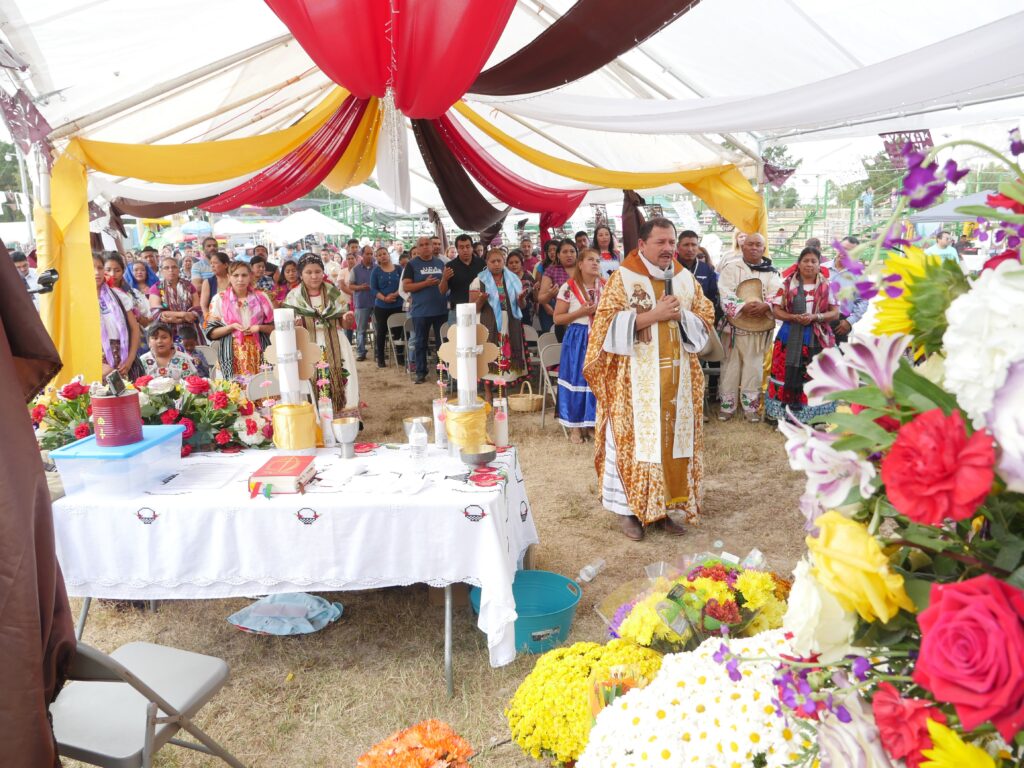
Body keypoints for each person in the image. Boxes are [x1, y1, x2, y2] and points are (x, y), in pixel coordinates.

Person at [584, 218, 715, 540]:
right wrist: (651, 316)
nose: (669, 248)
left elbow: (706, 316)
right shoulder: (623, 278)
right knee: (634, 445)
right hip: (633, 384)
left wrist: (681, 315)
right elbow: (602, 328)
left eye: (672, 242)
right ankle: (628, 511)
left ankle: (663, 509)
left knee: (671, 444)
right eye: (661, 242)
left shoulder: (684, 279)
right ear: (642, 245)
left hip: (677, 382)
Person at [765, 246, 839, 423]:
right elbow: (776, 310)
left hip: (817, 337)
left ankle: (816, 417)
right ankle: (782, 415)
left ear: (819, 265)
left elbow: (835, 312)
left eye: (814, 261)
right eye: (805, 260)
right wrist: (793, 317)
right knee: (783, 373)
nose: (809, 264)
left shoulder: (827, 286)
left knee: (815, 375)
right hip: (790, 335)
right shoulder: (786, 285)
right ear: (798, 264)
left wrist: (816, 316)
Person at [285, 253, 360, 418]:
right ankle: (317, 423)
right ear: (301, 274)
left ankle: (343, 421)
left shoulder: (334, 292)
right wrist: (295, 326)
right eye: (309, 272)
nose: (314, 276)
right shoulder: (293, 297)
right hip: (307, 346)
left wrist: (347, 319)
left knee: (343, 379)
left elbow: (344, 324)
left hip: (336, 343)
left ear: (323, 271)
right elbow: (288, 330)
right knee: (312, 383)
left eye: (318, 271)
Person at [718, 233, 783, 422]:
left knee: (754, 369)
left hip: (759, 329)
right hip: (733, 330)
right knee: (730, 367)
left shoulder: (771, 272)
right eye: (750, 244)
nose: (754, 248)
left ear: (764, 249)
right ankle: (727, 406)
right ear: (743, 247)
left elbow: (778, 292)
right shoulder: (731, 268)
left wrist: (766, 305)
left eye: (758, 245)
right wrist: (742, 306)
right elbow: (724, 291)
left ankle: (750, 408)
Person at [554, 248, 604, 444]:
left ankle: (590, 423)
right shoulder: (568, 287)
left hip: (598, 337)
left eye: (598, 260)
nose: (595, 263)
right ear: (580, 264)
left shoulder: (605, 286)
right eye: (590, 259)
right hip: (577, 337)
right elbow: (557, 318)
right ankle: (575, 426)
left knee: (593, 381)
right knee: (576, 379)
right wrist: (580, 312)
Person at [471, 248, 527, 402]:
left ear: (504, 262)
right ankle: (488, 393)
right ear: (487, 263)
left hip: (509, 323)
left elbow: (521, 306)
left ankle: (502, 392)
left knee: (505, 356)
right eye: (492, 261)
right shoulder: (479, 280)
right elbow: (474, 308)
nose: (496, 264)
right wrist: (482, 299)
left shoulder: (513, 279)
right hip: (488, 323)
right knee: (489, 356)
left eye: (499, 261)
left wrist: (521, 298)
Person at [205, 261, 275, 379]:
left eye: (244, 275)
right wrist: (231, 327)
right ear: (229, 277)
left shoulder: (261, 297)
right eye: (236, 275)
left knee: (263, 390)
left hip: (260, 351)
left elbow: (275, 328)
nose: (240, 279)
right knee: (235, 393)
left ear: (250, 276)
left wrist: (259, 328)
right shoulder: (219, 299)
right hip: (231, 353)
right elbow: (211, 333)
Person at [402, 236, 448, 384]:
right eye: (421, 245)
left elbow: (446, 284)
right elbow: (406, 287)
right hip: (420, 311)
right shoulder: (412, 264)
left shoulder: (440, 263)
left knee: (442, 343)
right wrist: (425, 283)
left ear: (432, 246)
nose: (425, 247)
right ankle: (421, 372)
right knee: (420, 342)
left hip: (440, 310)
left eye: (427, 244)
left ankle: (443, 371)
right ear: (417, 248)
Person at [94, 253, 142, 379]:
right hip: (93, 360)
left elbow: (135, 329)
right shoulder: (76, 301)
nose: (97, 272)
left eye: (100, 267)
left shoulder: (119, 296)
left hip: (122, 360)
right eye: (91, 267)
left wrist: (129, 360)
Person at [148, 256, 202, 343]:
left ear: (178, 269)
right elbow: (157, 314)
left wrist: (173, 317)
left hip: (190, 332)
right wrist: (183, 315)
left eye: (174, 267)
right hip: (167, 333)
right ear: (161, 271)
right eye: (166, 268)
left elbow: (197, 310)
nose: (171, 270)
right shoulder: (157, 288)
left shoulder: (189, 286)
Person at [675, 230, 722, 325]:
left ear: (698, 247)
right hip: (677, 319)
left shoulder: (706, 269)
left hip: (700, 320)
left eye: (693, 245)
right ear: (678, 247)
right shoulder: (670, 268)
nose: (690, 249)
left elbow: (712, 297)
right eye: (686, 245)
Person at [438, 233, 485, 325]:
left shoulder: (481, 264)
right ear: (457, 249)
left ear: (472, 248)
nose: (465, 250)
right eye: (461, 247)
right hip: (457, 310)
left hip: (479, 309)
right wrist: (444, 278)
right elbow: (442, 291)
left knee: (479, 339)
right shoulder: (450, 266)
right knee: (456, 339)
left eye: (468, 246)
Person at [537, 239, 577, 341]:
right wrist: (550, 294)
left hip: (583, 320)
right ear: (558, 255)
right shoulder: (552, 270)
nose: (569, 255)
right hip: (562, 321)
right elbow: (541, 299)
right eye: (565, 252)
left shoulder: (583, 268)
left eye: (572, 251)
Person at [830, 236, 868, 343]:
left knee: (837, 358)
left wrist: (849, 321)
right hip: (817, 321)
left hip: (840, 325)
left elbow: (863, 301)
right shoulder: (821, 269)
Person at [370, 246, 403, 368]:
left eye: (384, 253)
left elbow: (403, 284)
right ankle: (381, 358)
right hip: (382, 306)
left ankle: (400, 357)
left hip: (398, 304)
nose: (382, 256)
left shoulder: (399, 269)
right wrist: (384, 298)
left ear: (388, 255)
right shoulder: (376, 271)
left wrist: (395, 294)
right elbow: (373, 289)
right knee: (381, 332)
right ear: (376, 258)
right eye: (379, 255)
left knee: (399, 332)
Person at [104, 253, 152, 331]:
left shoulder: (134, 294)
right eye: (108, 270)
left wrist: (138, 317)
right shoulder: (98, 295)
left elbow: (147, 322)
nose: (112, 274)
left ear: (123, 271)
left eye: (117, 270)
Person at [348, 245, 376, 361]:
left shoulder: (377, 268)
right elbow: (350, 285)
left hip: (376, 302)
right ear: (362, 254)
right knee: (361, 330)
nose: (369, 256)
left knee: (378, 328)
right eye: (367, 254)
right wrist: (360, 287)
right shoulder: (355, 269)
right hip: (362, 303)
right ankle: (360, 352)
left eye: (371, 254)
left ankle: (378, 352)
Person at [506, 249, 535, 326]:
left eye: (516, 262)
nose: (514, 265)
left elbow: (534, 298)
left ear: (521, 264)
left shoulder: (528, 277)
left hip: (526, 313)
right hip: (509, 313)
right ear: (507, 265)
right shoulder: (504, 279)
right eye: (511, 263)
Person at [199, 251, 231, 318]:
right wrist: (209, 321)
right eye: (211, 263)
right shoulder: (208, 282)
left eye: (215, 263)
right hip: (215, 319)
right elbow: (204, 306)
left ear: (225, 265)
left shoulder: (233, 280)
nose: (212, 265)